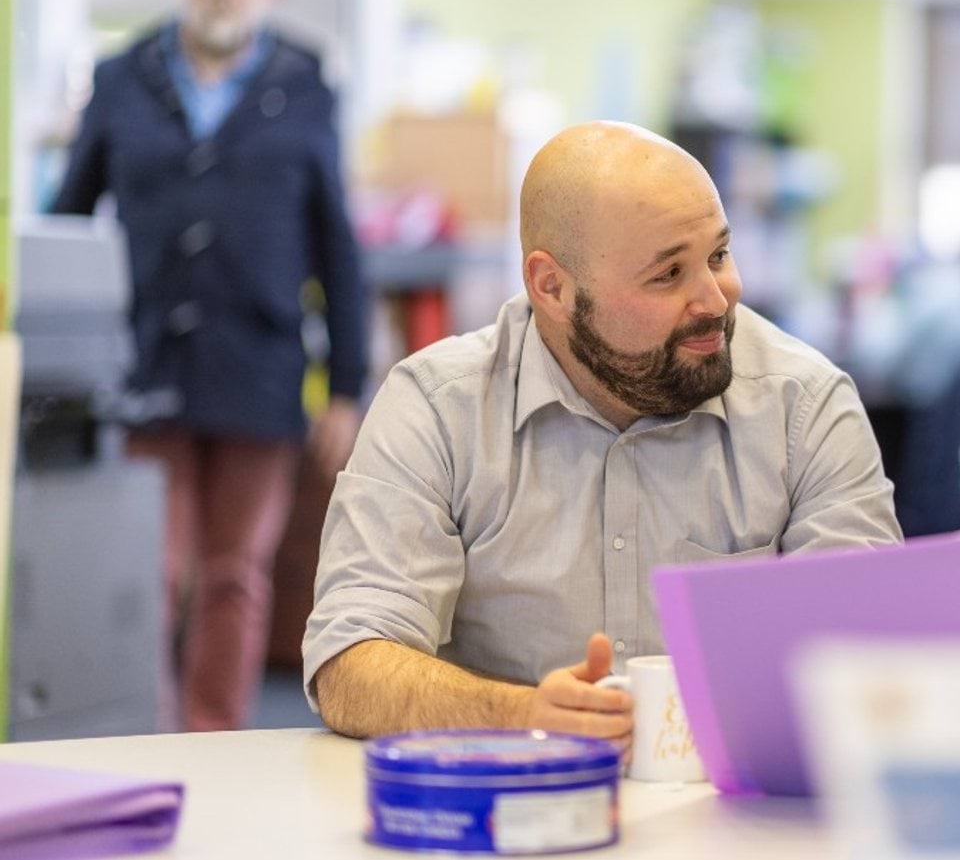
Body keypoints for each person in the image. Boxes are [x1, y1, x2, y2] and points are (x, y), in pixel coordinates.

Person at [303, 120, 901, 744]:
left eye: (718, 255)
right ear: (553, 287)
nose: (717, 299)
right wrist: (523, 715)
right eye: (668, 274)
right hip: (513, 811)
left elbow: (871, 657)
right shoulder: (438, 408)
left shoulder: (804, 406)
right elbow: (349, 663)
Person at [52, 0, 367, 731]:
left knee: (235, 573)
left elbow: (338, 240)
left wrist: (347, 383)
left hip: (258, 367)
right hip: (144, 364)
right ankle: (138, 732)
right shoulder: (123, 77)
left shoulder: (305, 86)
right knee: (150, 571)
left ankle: (213, 740)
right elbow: (69, 217)